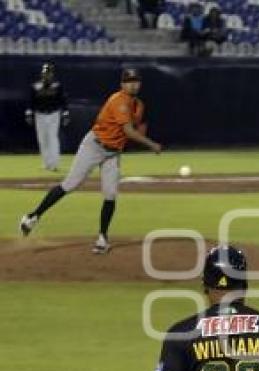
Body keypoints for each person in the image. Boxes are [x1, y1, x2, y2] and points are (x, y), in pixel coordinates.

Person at [19, 68, 162, 254]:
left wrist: (141, 131)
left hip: (113, 153)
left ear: (140, 83)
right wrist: (151, 144)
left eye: (135, 80)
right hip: (94, 146)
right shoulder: (118, 101)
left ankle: (102, 238)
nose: (132, 84)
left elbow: (134, 127)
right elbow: (128, 130)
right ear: (122, 84)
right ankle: (32, 216)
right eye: (129, 81)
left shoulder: (139, 105)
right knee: (70, 184)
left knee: (110, 194)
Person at [25, 62, 69, 172]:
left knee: (52, 138)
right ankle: (46, 162)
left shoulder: (57, 86)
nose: (46, 75)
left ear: (52, 74)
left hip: (53, 114)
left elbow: (63, 101)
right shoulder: (36, 87)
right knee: (42, 139)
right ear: (42, 74)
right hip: (39, 115)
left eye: (48, 73)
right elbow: (31, 102)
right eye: (45, 73)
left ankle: (54, 164)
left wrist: (65, 113)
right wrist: (29, 113)